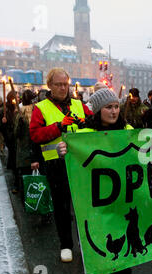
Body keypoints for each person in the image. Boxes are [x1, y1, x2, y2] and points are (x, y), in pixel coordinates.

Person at [56, 88, 136, 274]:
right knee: (99, 248)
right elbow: (72, 156)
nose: (113, 111)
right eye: (108, 107)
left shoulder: (128, 129)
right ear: (99, 110)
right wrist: (63, 151)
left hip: (122, 198)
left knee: (125, 246)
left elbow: (141, 153)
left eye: (116, 106)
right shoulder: (84, 135)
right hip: (95, 201)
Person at [30, 68, 94, 263]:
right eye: (58, 84)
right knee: (62, 208)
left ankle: (88, 243)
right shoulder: (41, 108)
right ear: (49, 85)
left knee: (85, 206)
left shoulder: (79, 104)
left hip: (81, 163)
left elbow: (95, 125)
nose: (63, 88)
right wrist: (59, 126)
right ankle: (66, 245)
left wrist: (85, 122)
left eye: (65, 84)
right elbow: (35, 135)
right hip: (56, 165)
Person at [14, 90, 44, 199]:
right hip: (35, 152)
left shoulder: (20, 114)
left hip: (24, 153)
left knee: (26, 180)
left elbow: (16, 134)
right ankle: (37, 199)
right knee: (37, 180)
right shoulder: (38, 112)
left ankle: (28, 200)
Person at [0, 91, 20, 193]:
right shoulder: (5, 111)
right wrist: (3, 122)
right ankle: (16, 183)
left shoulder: (20, 108)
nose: (18, 99)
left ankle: (20, 182)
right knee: (15, 161)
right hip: (11, 140)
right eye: (15, 97)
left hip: (20, 139)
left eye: (18, 97)